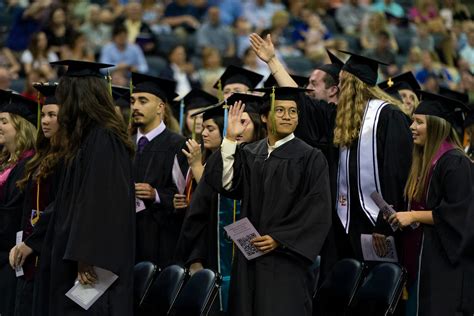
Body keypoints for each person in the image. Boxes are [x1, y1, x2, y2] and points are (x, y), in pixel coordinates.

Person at [204, 87, 332, 315]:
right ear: (264, 117)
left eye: (293, 111)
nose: (287, 116)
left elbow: (317, 208)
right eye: (280, 110)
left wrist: (280, 239)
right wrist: (230, 139)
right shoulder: (252, 152)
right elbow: (227, 184)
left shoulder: (310, 156)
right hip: (249, 256)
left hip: (285, 260)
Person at [33, 60, 135, 315]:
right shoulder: (85, 139)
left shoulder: (104, 139)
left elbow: (100, 203)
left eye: (65, 97)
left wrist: (86, 255)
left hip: (92, 264)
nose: (62, 106)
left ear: (79, 98)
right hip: (72, 253)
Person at [176, 93, 266, 313]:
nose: (239, 128)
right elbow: (198, 212)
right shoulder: (218, 159)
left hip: (259, 259)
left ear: (257, 123)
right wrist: (195, 258)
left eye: (244, 122)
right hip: (216, 255)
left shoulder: (267, 158)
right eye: (235, 122)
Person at [387, 91, 473, 315]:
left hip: (446, 268)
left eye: (418, 122)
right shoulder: (425, 161)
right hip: (423, 261)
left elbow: (459, 214)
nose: (411, 127)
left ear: (435, 126)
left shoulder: (455, 162)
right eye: (413, 121)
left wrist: (413, 216)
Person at [9, 83, 63, 316]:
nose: (45, 120)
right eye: (44, 115)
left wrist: (33, 243)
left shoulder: (69, 159)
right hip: (28, 253)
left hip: (51, 255)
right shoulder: (39, 157)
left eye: (53, 115)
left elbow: (60, 206)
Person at [130, 72, 188, 267]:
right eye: (133, 101)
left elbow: (182, 196)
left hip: (161, 240)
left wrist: (155, 194)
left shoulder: (178, 145)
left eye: (143, 101)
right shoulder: (125, 145)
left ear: (160, 107)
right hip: (127, 237)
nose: (135, 107)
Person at [0, 90, 37, 316]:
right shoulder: (6, 162)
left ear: (21, 127)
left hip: (10, 258)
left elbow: (11, 214)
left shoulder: (27, 166)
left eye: (4, 121)